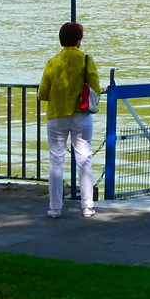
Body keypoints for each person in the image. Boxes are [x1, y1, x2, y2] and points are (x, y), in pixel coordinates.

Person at [38, 21, 101, 218]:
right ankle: (88, 206)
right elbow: (95, 87)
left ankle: (55, 207)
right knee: (84, 160)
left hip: (56, 116)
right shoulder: (85, 60)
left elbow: (42, 93)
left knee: (56, 161)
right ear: (79, 40)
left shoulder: (52, 62)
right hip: (81, 115)